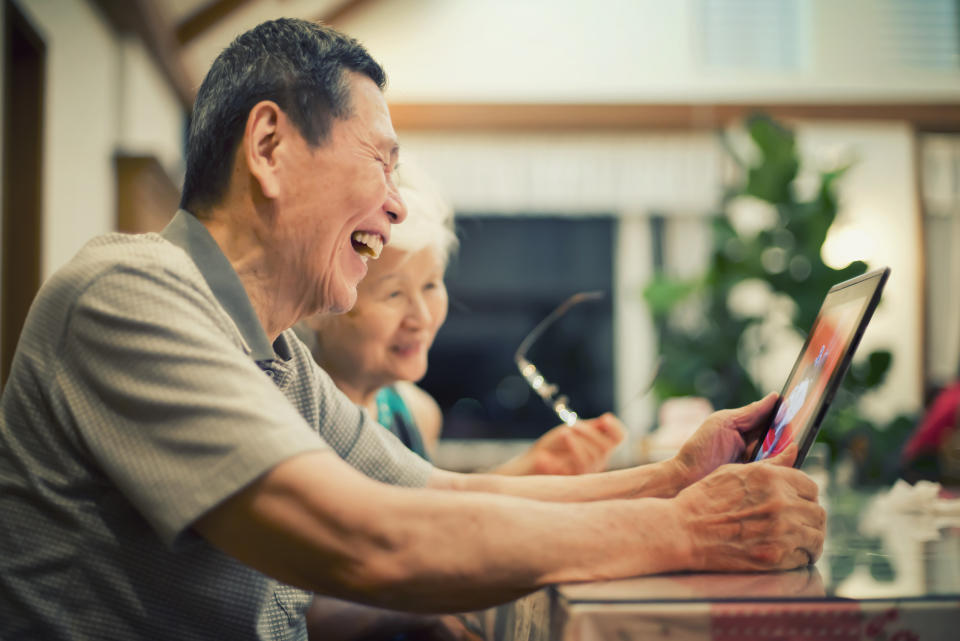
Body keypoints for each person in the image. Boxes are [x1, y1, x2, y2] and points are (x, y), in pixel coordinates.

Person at [0, 18, 825, 641]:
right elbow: (365, 539)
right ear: (270, 146)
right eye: (382, 160)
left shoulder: (277, 355)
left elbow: (442, 491)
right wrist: (683, 529)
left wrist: (675, 478)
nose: (397, 207)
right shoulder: (127, 293)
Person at [299, 165, 626, 475]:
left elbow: (425, 517)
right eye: (393, 295)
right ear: (317, 307)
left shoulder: (416, 412)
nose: (422, 318)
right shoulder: (295, 418)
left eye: (430, 285)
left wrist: (539, 468)